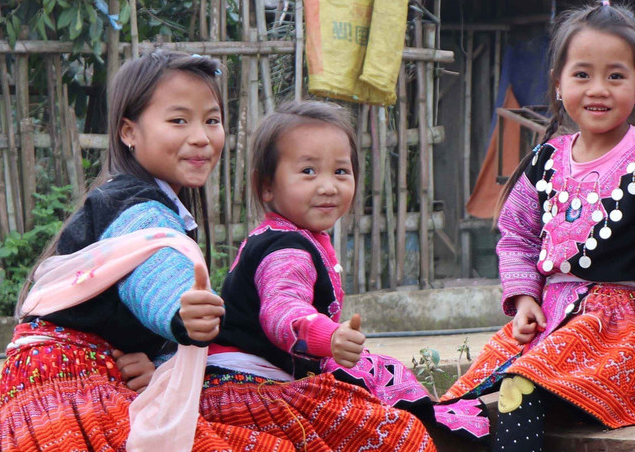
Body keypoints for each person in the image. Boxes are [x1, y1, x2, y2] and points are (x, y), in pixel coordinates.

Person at [0, 51, 292, 452]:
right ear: (129, 132)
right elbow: (155, 278)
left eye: (212, 120)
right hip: (67, 386)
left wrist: (156, 363)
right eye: (179, 120)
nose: (201, 136)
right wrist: (182, 313)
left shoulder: (145, 204)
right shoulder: (137, 209)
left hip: (78, 376)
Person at [441, 0, 635, 450]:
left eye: (616, 76)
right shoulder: (544, 162)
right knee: (464, 401)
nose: (598, 89)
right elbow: (517, 235)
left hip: (619, 326)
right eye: (582, 74)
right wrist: (525, 297)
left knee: (520, 388)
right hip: (550, 318)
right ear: (559, 84)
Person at [200, 101, 488, 451]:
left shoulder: (292, 235)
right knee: (389, 431)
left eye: (340, 172)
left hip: (262, 380)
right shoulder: (286, 251)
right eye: (308, 172)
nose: (328, 186)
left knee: (374, 371)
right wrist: (327, 336)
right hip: (248, 390)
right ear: (267, 188)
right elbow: (281, 309)